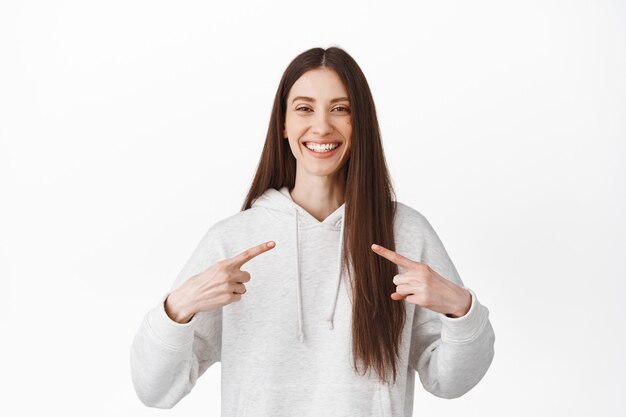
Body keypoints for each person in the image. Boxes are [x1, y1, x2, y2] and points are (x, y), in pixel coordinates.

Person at [129, 46, 496, 417]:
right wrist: (178, 307)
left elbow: (451, 382)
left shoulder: (405, 233)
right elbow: (154, 390)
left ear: (361, 123)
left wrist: (461, 310)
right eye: (305, 108)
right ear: (283, 125)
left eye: (341, 109)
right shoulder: (232, 241)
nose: (322, 126)